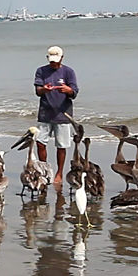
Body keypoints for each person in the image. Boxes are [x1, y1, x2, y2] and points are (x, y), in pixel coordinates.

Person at [33, 45, 78, 188]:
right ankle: (44, 170)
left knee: (62, 145)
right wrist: (44, 89)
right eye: (51, 61)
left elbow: (75, 92)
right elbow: (38, 91)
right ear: (48, 58)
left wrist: (68, 90)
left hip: (63, 114)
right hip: (45, 113)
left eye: (56, 61)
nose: (54, 63)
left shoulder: (68, 72)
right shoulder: (41, 71)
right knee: (40, 142)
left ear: (62, 58)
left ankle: (59, 172)